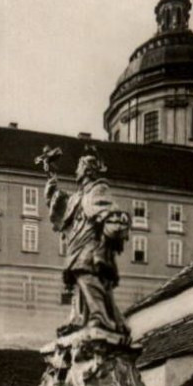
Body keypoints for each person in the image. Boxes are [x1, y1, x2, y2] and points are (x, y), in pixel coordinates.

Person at [37, 146, 130, 340]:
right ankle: (82, 319)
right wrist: (51, 178)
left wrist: (110, 221)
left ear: (87, 170)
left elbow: (108, 211)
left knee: (85, 274)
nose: (75, 170)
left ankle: (100, 317)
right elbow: (62, 207)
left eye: (79, 166)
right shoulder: (78, 196)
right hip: (77, 244)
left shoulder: (99, 189)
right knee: (81, 282)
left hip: (92, 244)